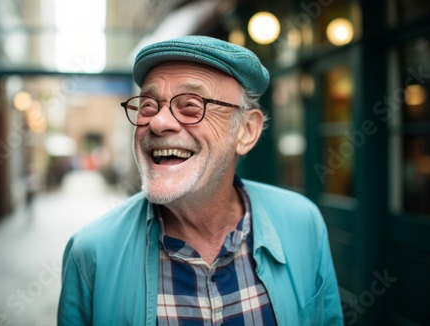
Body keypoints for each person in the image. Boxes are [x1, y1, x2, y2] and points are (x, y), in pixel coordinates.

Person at [57, 36, 343, 325]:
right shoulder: (91, 253)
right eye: (147, 106)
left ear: (245, 131)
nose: (158, 122)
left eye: (191, 106)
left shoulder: (303, 223)